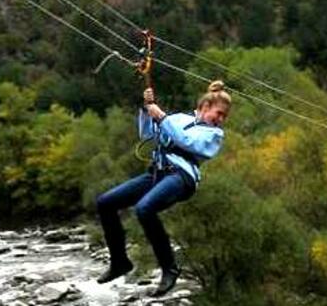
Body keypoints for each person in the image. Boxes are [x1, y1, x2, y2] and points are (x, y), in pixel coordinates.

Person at [95, 80, 231, 296]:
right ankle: (119, 261)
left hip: (181, 176)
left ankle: (169, 266)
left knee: (144, 209)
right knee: (105, 203)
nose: (221, 119)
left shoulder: (214, 135)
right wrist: (147, 109)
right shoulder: (179, 119)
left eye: (224, 116)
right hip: (157, 173)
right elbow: (149, 136)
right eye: (219, 113)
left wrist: (161, 116)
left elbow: (186, 141)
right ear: (205, 107)